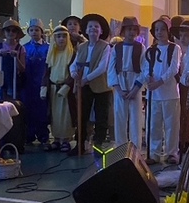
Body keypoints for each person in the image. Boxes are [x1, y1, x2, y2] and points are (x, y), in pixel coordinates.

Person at [70, 12, 112, 152]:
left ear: (101, 31)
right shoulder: (82, 47)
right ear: (86, 30)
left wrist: (86, 79)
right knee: (82, 116)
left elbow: (102, 67)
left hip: (101, 87)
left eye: (96, 27)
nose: (93, 29)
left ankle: (98, 144)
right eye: (90, 26)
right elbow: (74, 64)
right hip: (83, 87)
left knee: (101, 116)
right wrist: (74, 73)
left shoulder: (105, 47)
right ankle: (80, 144)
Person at [144, 16, 181, 165]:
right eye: (157, 29)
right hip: (154, 95)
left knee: (171, 125)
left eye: (163, 29)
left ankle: (172, 152)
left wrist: (159, 82)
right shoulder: (150, 50)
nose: (159, 32)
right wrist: (148, 78)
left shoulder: (174, 48)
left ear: (168, 31)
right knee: (154, 125)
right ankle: (154, 153)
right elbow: (145, 68)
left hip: (170, 93)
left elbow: (173, 69)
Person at [108, 16, 145, 148]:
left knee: (135, 119)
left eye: (134, 29)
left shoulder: (141, 47)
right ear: (123, 31)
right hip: (120, 83)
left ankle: (135, 148)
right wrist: (118, 88)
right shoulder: (117, 48)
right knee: (120, 117)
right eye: (129, 29)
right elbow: (111, 68)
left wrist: (136, 88)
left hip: (135, 83)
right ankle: (121, 147)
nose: (131, 32)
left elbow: (144, 68)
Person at [41, 24, 76, 153]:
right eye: (59, 36)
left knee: (66, 116)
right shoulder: (51, 54)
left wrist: (66, 86)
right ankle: (56, 139)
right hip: (53, 89)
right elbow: (46, 73)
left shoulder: (72, 54)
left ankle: (66, 140)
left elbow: (73, 74)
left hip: (66, 90)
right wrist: (44, 87)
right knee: (54, 116)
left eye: (64, 36)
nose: (61, 39)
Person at [22, 19, 50, 145]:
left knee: (42, 109)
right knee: (29, 108)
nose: (34, 32)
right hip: (28, 83)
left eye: (37, 30)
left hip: (42, 82)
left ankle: (43, 135)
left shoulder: (48, 48)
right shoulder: (24, 48)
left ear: (41, 32)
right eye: (32, 30)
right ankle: (29, 134)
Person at [0, 19, 26, 98]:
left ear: (17, 33)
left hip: (14, 81)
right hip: (0, 81)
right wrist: (0, 56)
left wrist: (16, 58)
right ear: (4, 32)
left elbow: (23, 69)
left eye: (14, 31)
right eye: (8, 30)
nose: (11, 33)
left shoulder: (21, 48)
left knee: (13, 102)